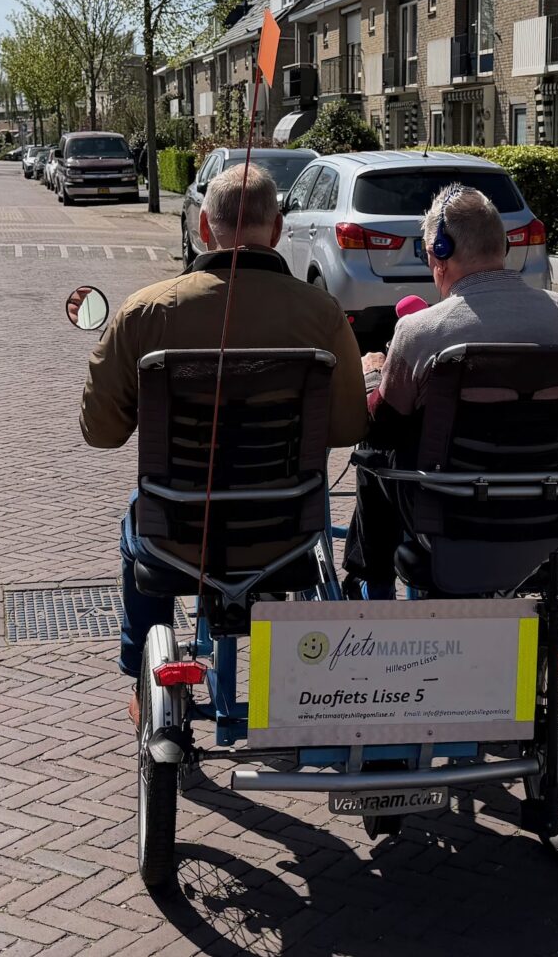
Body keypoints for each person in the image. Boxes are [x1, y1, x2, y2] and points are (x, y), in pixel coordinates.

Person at [79, 164, 367, 722]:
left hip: (180, 533)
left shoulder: (145, 312)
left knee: (135, 522)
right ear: (279, 229)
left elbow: (101, 432)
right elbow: (349, 427)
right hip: (286, 532)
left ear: (205, 228)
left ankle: (144, 677)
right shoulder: (321, 314)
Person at [342, 183, 558, 600]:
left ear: (439, 252)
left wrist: (373, 374)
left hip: (448, 519)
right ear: (504, 247)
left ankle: (372, 586)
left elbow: (382, 425)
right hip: (544, 514)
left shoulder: (421, 330)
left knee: (373, 456)